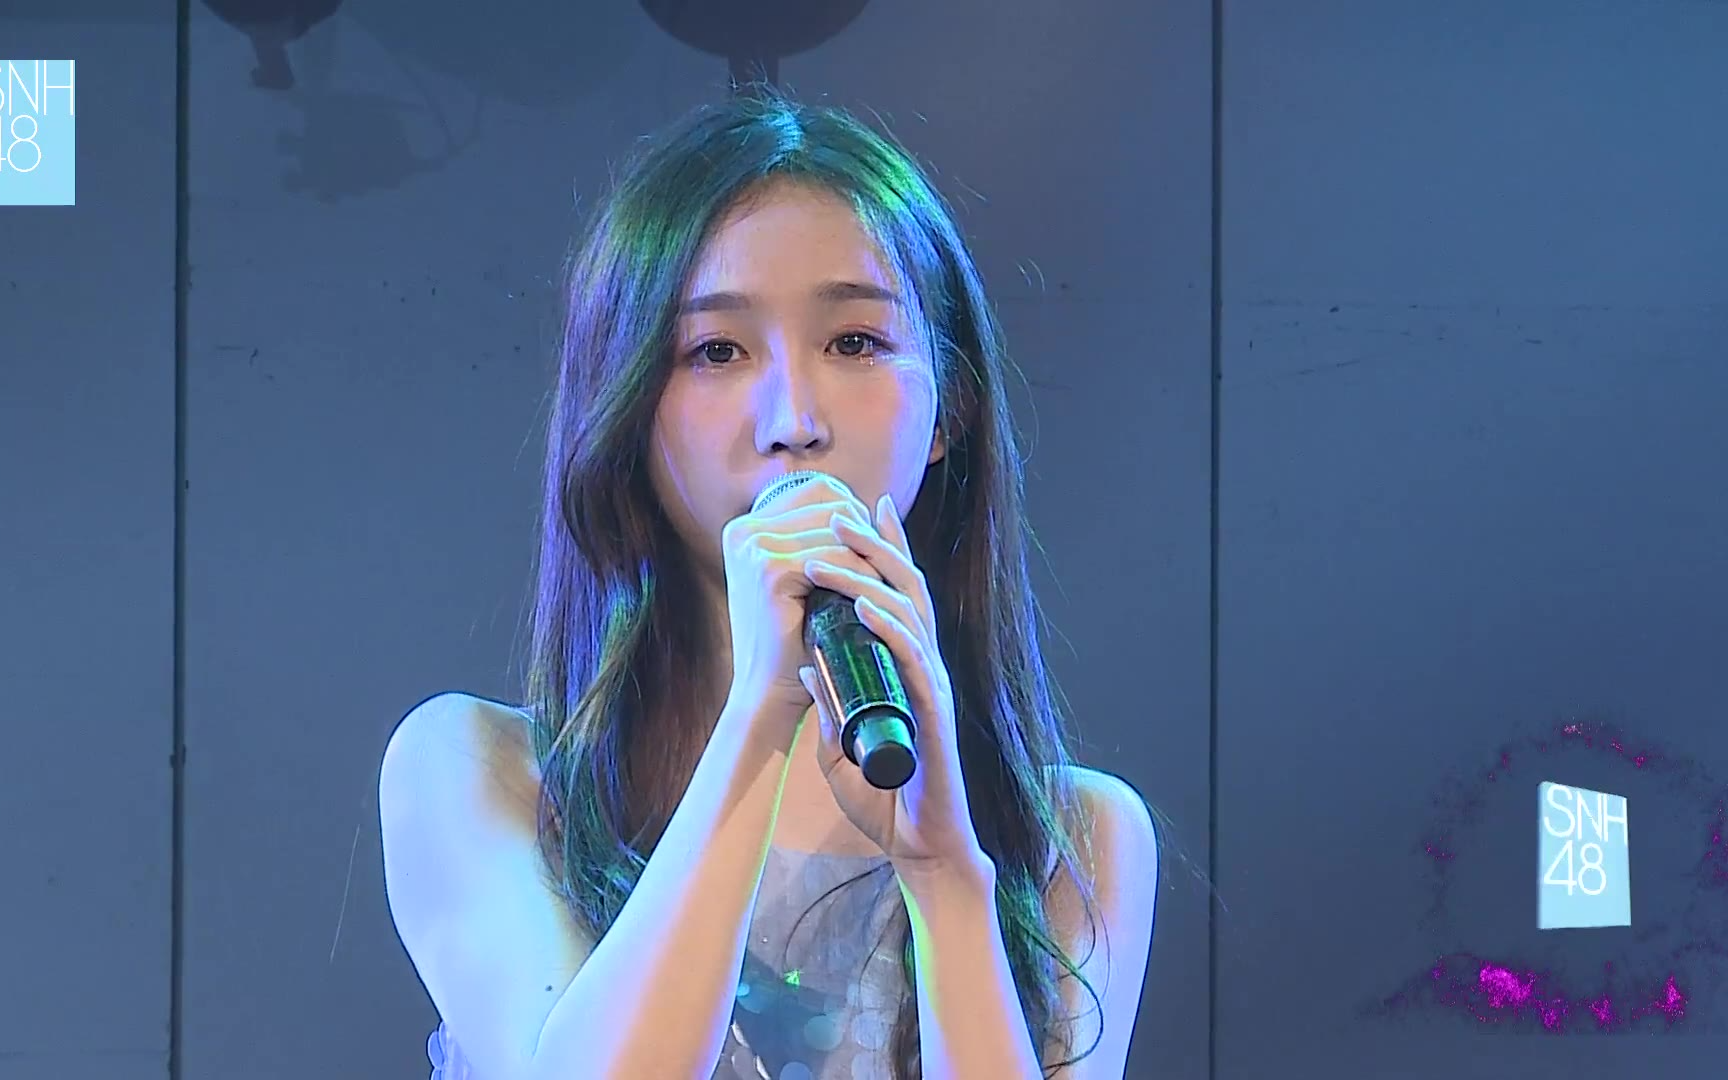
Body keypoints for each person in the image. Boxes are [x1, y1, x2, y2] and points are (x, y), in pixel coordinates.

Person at [379, 85, 1161, 1080]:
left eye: (854, 343)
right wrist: (759, 713)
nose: (794, 419)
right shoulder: (485, 775)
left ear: (950, 408)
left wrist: (945, 875)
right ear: (626, 408)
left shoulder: (1077, 838)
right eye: (716, 351)